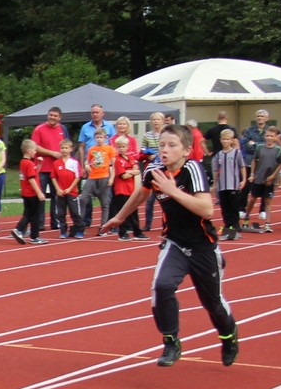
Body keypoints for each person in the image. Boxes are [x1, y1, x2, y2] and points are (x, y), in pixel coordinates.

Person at [101, 125, 239, 368]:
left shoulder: (192, 169)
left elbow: (206, 210)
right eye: (162, 145)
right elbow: (140, 194)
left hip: (203, 247)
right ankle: (171, 341)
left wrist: (172, 191)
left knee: (213, 303)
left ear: (186, 150)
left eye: (172, 145)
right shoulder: (154, 169)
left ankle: (228, 336)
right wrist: (120, 217)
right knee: (162, 286)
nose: (164, 150)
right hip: (175, 243)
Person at [32, 107, 68, 232]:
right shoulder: (39, 129)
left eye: (55, 116)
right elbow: (35, 147)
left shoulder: (62, 129)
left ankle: (55, 221)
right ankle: (40, 223)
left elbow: (67, 145)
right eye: (51, 115)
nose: (52, 117)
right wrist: (52, 153)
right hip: (42, 168)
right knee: (41, 196)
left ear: (59, 117)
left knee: (57, 196)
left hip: (57, 169)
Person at [245, 126, 281, 233]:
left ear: (275, 137)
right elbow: (254, 160)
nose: (269, 138)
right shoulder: (259, 147)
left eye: (271, 136)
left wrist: (273, 176)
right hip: (258, 177)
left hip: (269, 179)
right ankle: (246, 217)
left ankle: (267, 223)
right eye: (267, 135)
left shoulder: (278, 150)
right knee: (253, 199)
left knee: (268, 201)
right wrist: (252, 174)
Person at [79, 123, 116, 234]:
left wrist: (111, 178)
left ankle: (103, 226)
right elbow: (87, 161)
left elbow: (114, 165)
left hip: (104, 177)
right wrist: (86, 165)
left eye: (101, 137)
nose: (99, 139)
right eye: (97, 137)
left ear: (106, 138)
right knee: (83, 198)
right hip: (92, 177)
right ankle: (80, 225)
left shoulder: (109, 149)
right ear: (94, 138)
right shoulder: (91, 149)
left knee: (105, 203)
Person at [211, 126, 248, 240]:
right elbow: (217, 171)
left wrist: (244, 180)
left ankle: (234, 228)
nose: (225, 141)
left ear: (231, 140)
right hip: (222, 186)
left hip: (233, 185)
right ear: (220, 140)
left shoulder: (236, 153)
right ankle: (227, 227)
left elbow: (242, 167)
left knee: (233, 208)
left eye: (228, 139)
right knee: (225, 208)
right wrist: (214, 184)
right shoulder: (219, 155)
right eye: (223, 139)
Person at [11, 139, 48, 245]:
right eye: (34, 150)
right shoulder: (29, 164)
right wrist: (39, 192)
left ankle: (34, 236)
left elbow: (33, 174)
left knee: (31, 214)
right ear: (28, 150)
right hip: (32, 193)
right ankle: (19, 229)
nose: (35, 152)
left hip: (25, 192)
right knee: (32, 214)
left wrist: (39, 165)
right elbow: (32, 179)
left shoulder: (23, 163)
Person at [109, 134, 144, 241]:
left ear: (127, 147)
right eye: (119, 147)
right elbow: (123, 176)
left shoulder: (130, 158)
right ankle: (122, 233)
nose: (121, 149)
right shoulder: (117, 160)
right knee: (123, 211)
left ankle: (137, 232)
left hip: (131, 189)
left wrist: (129, 171)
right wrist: (131, 172)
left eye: (123, 146)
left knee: (134, 211)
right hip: (121, 189)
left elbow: (138, 170)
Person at [51, 138, 82, 238]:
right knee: (60, 213)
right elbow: (53, 177)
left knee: (75, 212)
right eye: (62, 148)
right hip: (61, 192)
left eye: (66, 148)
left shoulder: (74, 162)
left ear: (71, 149)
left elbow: (78, 176)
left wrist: (70, 188)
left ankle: (78, 230)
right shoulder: (56, 163)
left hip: (72, 192)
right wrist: (57, 189)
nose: (64, 150)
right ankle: (63, 231)